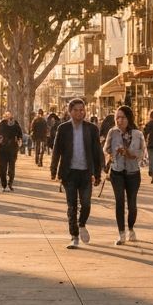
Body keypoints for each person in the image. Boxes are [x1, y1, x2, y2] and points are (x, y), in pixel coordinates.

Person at [51, 97, 104, 249]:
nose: (80, 113)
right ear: (70, 111)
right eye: (76, 110)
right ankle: (74, 236)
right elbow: (56, 150)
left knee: (86, 203)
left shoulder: (91, 129)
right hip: (69, 172)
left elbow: (97, 152)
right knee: (71, 205)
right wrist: (54, 170)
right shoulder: (63, 129)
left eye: (82, 110)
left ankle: (82, 225)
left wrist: (99, 172)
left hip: (86, 172)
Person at [103, 105, 145, 245]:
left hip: (133, 172)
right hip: (117, 171)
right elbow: (106, 149)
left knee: (132, 204)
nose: (119, 120)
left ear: (129, 119)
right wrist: (113, 153)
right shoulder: (112, 132)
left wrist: (129, 153)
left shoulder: (138, 134)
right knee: (119, 201)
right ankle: (121, 233)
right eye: (117, 118)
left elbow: (142, 154)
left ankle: (131, 229)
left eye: (122, 118)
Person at [0, 111, 23, 191]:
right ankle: (4, 184)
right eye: (7, 116)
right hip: (3, 150)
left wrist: (19, 142)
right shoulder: (2, 124)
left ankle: (10, 183)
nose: (9, 118)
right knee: (2, 169)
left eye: (10, 116)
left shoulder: (16, 125)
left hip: (12, 150)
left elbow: (20, 136)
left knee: (11, 168)